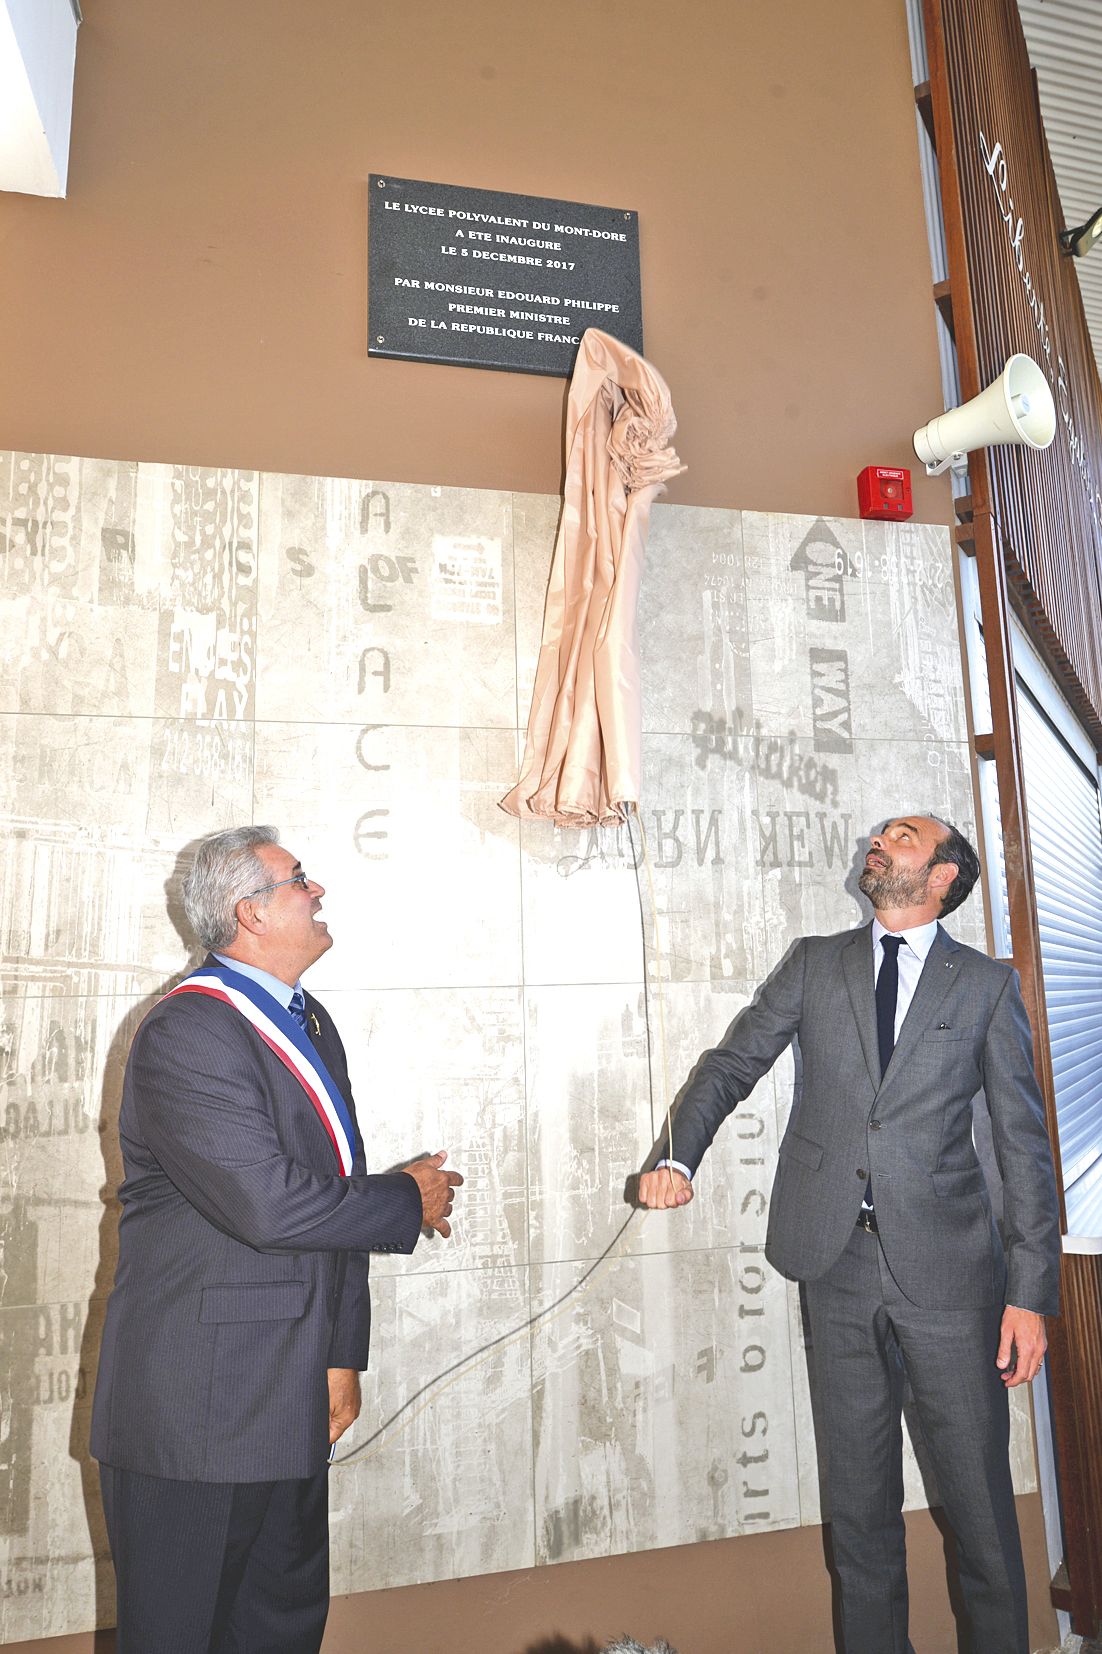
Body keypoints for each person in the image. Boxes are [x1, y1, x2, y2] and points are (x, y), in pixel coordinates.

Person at [638, 814, 1060, 1654]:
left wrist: (1029, 1295)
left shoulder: (983, 985)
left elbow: (1021, 1147)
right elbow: (731, 1064)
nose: (879, 842)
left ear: (943, 876)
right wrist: (679, 1158)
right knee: (859, 1515)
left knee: (978, 1514)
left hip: (949, 1280)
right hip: (834, 1269)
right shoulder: (814, 963)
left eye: (901, 837)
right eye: (879, 835)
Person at [91, 825, 462, 1653]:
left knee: (278, 1632)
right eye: (299, 880)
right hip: (197, 1413)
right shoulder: (188, 1032)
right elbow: (271, 1206)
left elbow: (329, 1192)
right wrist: (404, 1198)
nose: (318, 890)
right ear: (247, 913)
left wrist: (340, 1353)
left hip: (286, 1398)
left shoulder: (305, 1021)